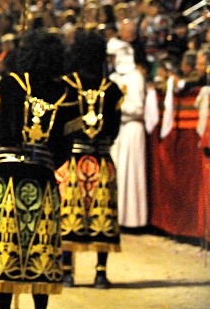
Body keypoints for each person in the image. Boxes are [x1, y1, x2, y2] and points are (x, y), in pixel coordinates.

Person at [0, 30, 77, 309]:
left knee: (4, 249)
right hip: (41, 177)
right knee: (40, 250)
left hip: (5, 177)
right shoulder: (66, 96)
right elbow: (65, 151)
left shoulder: (5, 86)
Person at [56, 31, 123, 289]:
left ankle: (66, 270)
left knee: (68, 216)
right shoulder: (113, 90)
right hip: (102, 158)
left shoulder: (67, 86)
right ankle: (100, 272)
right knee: (102, 216)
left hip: (72, 158)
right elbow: (115, 130)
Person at [107, 23, 149, 229]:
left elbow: (138, 107)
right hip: (118, 130)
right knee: (117, 172)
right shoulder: (114, 78)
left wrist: (117, 108)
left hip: (132, 128)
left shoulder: (135, 78)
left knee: (131, 173)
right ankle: (116, 216)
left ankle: (133, 220)